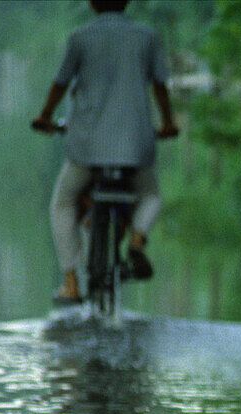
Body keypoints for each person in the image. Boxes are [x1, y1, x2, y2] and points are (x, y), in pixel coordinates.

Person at [31, 0, 178, 304]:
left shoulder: (80, 37)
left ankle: (71, 283)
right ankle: (137, 237)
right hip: (135, 147)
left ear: (91, 3)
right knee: (150, 196)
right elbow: (160, 86)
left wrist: (45, 115)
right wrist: (167, 122)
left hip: (87, 147)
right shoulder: (147, 36)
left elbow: (60, 84)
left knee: (63, 203)